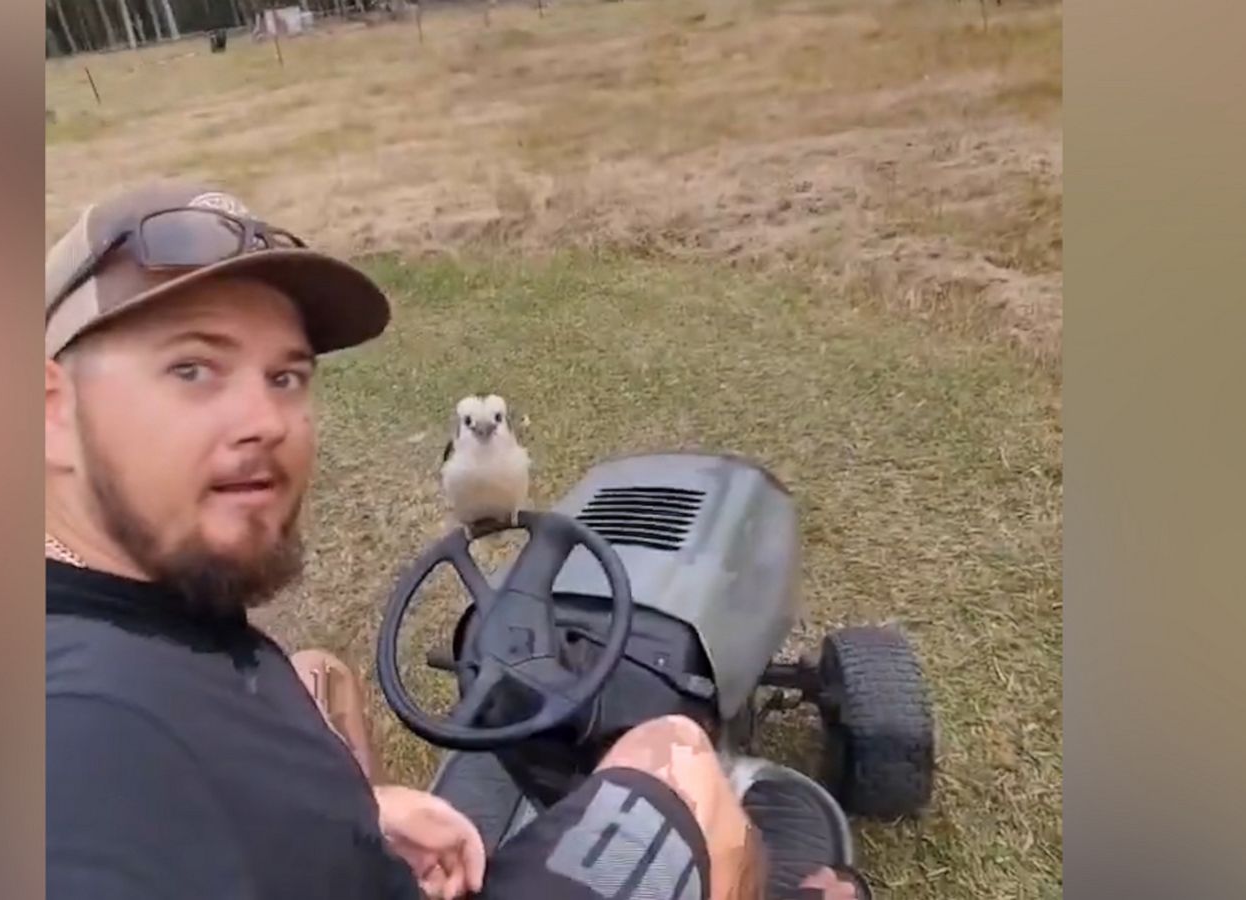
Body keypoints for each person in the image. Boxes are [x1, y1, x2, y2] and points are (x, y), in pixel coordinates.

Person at [44, 181, 867, 900]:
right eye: (193, 369)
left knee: (318, 676)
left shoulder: (125, 611)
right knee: (679, 755)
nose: (265, 420)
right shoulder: (83, 739)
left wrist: (354, 821)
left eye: (286, 376)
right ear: (48, 410)